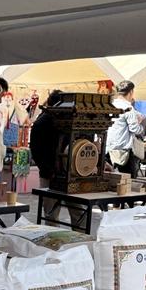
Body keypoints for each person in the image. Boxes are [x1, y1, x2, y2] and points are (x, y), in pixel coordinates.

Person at [29, 90, 88, 231]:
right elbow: (37, 151)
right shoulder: (42, 123)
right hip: (53, 174)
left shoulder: (67, 120)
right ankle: (58, 238)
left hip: (67, 173)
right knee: (54, 212)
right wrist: (47, 169)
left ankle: (76, 237)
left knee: (70, 211)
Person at [106, 80, 146, 178]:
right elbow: (135, 129)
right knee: (128, 181)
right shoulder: (128, 108)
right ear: (131, 92)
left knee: (109, 180)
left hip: (108, 149)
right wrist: (141, 124)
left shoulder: (110, 105)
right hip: (123, 152)